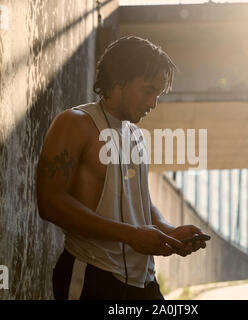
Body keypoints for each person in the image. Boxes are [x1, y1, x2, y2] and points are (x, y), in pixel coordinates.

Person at [36, 36, 207, 300]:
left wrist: (169, 231)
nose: (153, 102)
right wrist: (131, 235)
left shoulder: (137, 136)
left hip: (143, 282)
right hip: (92, 275)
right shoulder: (75, 123)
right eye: (148, 90)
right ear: (118, 80)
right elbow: (49, 202)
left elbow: (141, 204)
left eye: (158, 94)